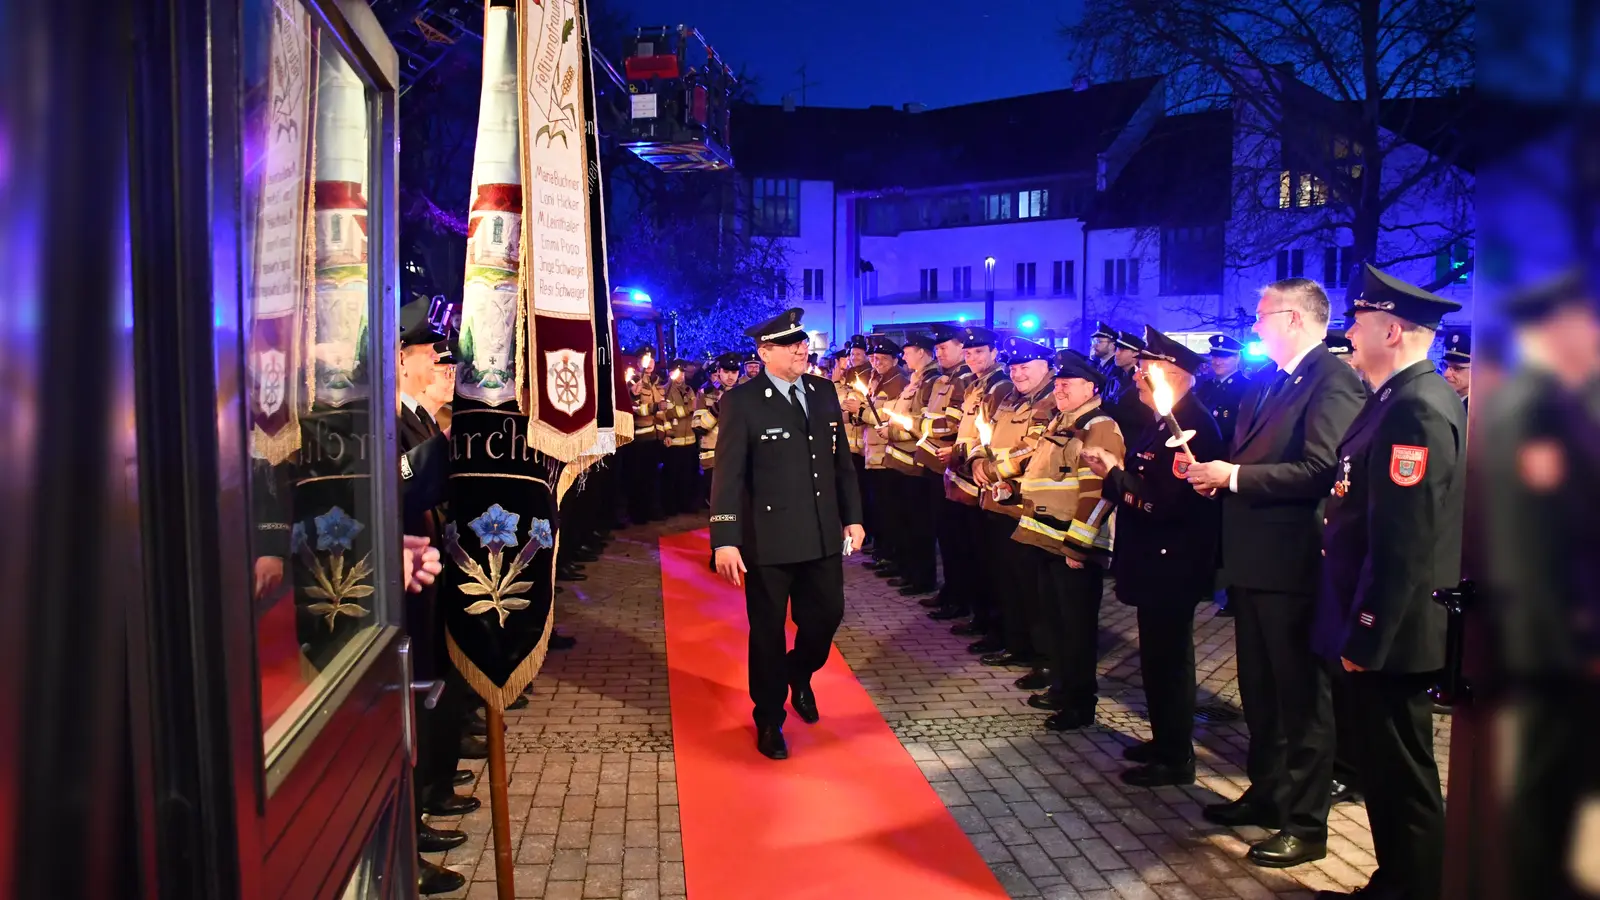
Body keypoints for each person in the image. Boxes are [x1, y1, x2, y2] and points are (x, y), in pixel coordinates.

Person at [1183, 277, 1366, 868]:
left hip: (1293, 563)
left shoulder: (1332, 380)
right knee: (1260, 693)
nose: (1255, 324)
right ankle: (1267, 794)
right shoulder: (1270, 380)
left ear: (1294, 318)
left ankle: (1306, 823)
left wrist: (1232, 476)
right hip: (1253, 560)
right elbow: (1254, 460)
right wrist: (1214, 476)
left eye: (1263, 315)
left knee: (1301, 700)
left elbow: (1321, 469)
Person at [1312, 264, 1467, 900]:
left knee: (1403, 773)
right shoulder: (1393, 399)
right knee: (1384, 766)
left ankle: (1414, 887)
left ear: (1393, 330)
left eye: (1360, 320)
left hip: (1393, 631)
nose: (1349, 332)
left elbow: (1404, 542)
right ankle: (1395, 880)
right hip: (1376, 620)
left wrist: (1367, 632)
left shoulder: (1417, 408)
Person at [709, 307, 865, 760]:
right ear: (764, 352)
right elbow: (728, 475)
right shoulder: (742, 401)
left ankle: (799, 672)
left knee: (827, 616)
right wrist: (725, 538)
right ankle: (769, 717)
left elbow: (841, 463)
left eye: (802, 342)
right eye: (790, 344)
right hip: (770, 539)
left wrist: (853, 517)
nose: (802, 349)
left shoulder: (822, 391)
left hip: (821, 534)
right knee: (767, 633)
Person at [1084, 327, 1224, 784]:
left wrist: (1116, 473)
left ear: (1174, 375)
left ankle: (1176, 756)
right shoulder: (1162, 422)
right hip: (1151, 558)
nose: (1136, 377)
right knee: (1155, 658)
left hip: (1173, 561)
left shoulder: (1192, 427)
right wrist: (1114, 474)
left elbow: (1166, 502)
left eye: (1146, 371)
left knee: (1170, 660)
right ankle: (1164, 739)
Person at [1005, 352, 1123, 726]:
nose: (1059, 390)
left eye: (1067, 385)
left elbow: (1098, 491)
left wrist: (1078, 545)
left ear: (1091, 388)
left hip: (1072, 547)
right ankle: (1060, 688)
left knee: (1076, 630)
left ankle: (1079, 704)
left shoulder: (1099, 426)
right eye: (1057, 384)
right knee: (1055, 624)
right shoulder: (1062, 420)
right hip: (1046, 539)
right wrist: (1012, 490)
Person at [1198, 334, 1250, 447]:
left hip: (1230, 451)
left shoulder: (1248, 387)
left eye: (1224, 357)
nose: (1217, 362)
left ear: (1237, 358)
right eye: (1215, 357)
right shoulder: (1206, 386)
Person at [1441, 331, 1471, 412]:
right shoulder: (1441, 401)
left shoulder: (1480, 411)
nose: (1446, 374)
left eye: (1457, 368)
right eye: (1445, 366)